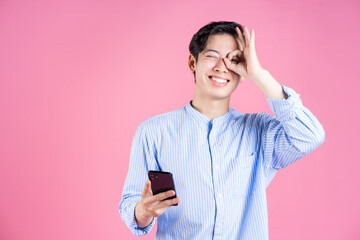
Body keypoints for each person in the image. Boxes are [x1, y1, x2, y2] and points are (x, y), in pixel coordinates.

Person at [118, 21, 325, 239]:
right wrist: (143, 211)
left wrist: (258, 73)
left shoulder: (260, 131)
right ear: (192, 62)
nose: (222, 66)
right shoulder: (153, 132)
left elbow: (310, 135)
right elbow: (130, 203)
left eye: (234, 59)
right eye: (212, 56)